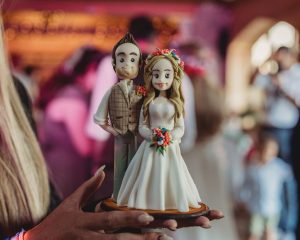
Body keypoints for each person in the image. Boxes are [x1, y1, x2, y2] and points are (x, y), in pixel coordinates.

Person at [117, 49, 201, 212]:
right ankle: (146, 201)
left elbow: (180, 127)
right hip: (150, 146)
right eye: (156, 75)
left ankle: (169, 201)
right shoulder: (148, 103)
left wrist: (170, 135)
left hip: (169, 147)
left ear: (174, 78)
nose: (161, 80)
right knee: (147, 174)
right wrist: (152, 135)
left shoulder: (175, 104)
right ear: (150, 77)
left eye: (166, 75)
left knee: (171, 175)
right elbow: (143, 126)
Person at [37, 46, 104, 198]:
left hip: (59, 168)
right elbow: (85, 147)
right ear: (90, 69)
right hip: (66, 172)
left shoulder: (67, 93)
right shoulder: (72, 99)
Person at [94, 33, 144, 200]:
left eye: (132, 60)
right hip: (117, 147)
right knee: (120, 179)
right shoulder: (112, 91)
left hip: (141, 145)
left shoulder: (143, 93)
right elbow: (99, 119)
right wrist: (115, 132)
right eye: (122, 60)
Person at [239, 133, 296, 240]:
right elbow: (246, 185)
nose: (268, 153)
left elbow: (289, 174)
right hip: (256, 207)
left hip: (273, 208)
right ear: (260, 149)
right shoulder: (253, 168)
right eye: (266, 149)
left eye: (272, 151)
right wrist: (242, 199)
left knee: (270, 233)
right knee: (253, 233)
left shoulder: (277, 166)